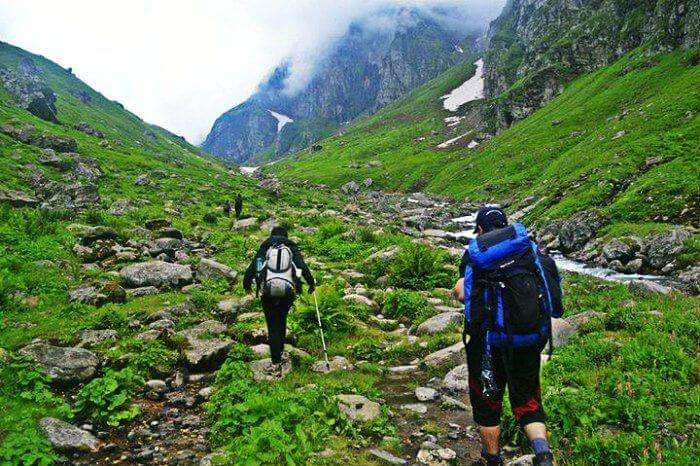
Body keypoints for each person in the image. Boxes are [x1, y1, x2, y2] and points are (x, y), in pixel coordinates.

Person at [453, 207, 563, 466]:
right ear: (505, 225)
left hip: (486, 345)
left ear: (480, 229)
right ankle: (543, 455)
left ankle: (492, 458)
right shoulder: (528, 250)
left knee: (487, 403)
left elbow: (461, 293)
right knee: (527, 399)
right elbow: (554, 301)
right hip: (526, 340)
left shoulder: (476, 254)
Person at [243, 226, 315, 364]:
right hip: (287, 290)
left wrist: (247, 283)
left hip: (268, 290)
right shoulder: (290, 246)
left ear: (272, 235)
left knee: (272, 324)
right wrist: (309, 283)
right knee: (282, 319)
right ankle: (281, 351)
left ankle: (275, 359)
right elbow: (300, 267)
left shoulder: (266, 246)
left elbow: (256, 265)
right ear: (286, 235)